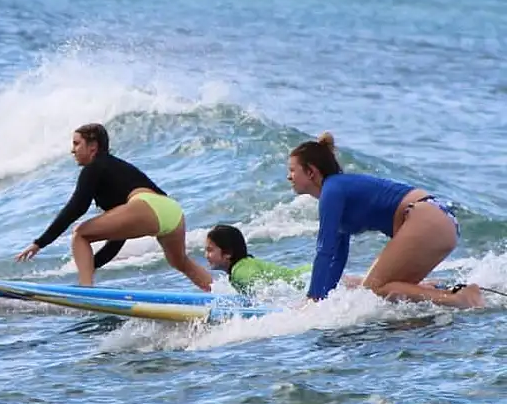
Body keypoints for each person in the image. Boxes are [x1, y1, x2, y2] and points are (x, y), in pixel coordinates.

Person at [288, 132, 483, 307]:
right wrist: (322, 300)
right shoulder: (337, 191)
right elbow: (337, 258)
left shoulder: (332, 189)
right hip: (440, 221)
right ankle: (447, 291)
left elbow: (324, 251)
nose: (289, 177)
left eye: (293, 170)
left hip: (426, 218)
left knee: (371, 290)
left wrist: (311, 299)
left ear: (311, 171)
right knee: (388, 289)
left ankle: (457, 299)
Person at [16, 123, 212, 290]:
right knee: (181, 262)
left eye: (77, 144)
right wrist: (91, 265)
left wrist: (40, 243)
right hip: (172, 211)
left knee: (80, 233)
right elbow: (117, 239)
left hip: (147, 205)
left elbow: (76, 207)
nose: (72, 150)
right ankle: (219, 293)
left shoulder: (94, 167)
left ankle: (86, 293)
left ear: (93, 146)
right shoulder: (116, 168)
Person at [205, 224, 309, 295]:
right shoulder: (241, 267)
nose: (206, 255)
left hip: (307, 278)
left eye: (210, 250)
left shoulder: (241, 271)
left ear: (228, 253)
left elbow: (262, 290)